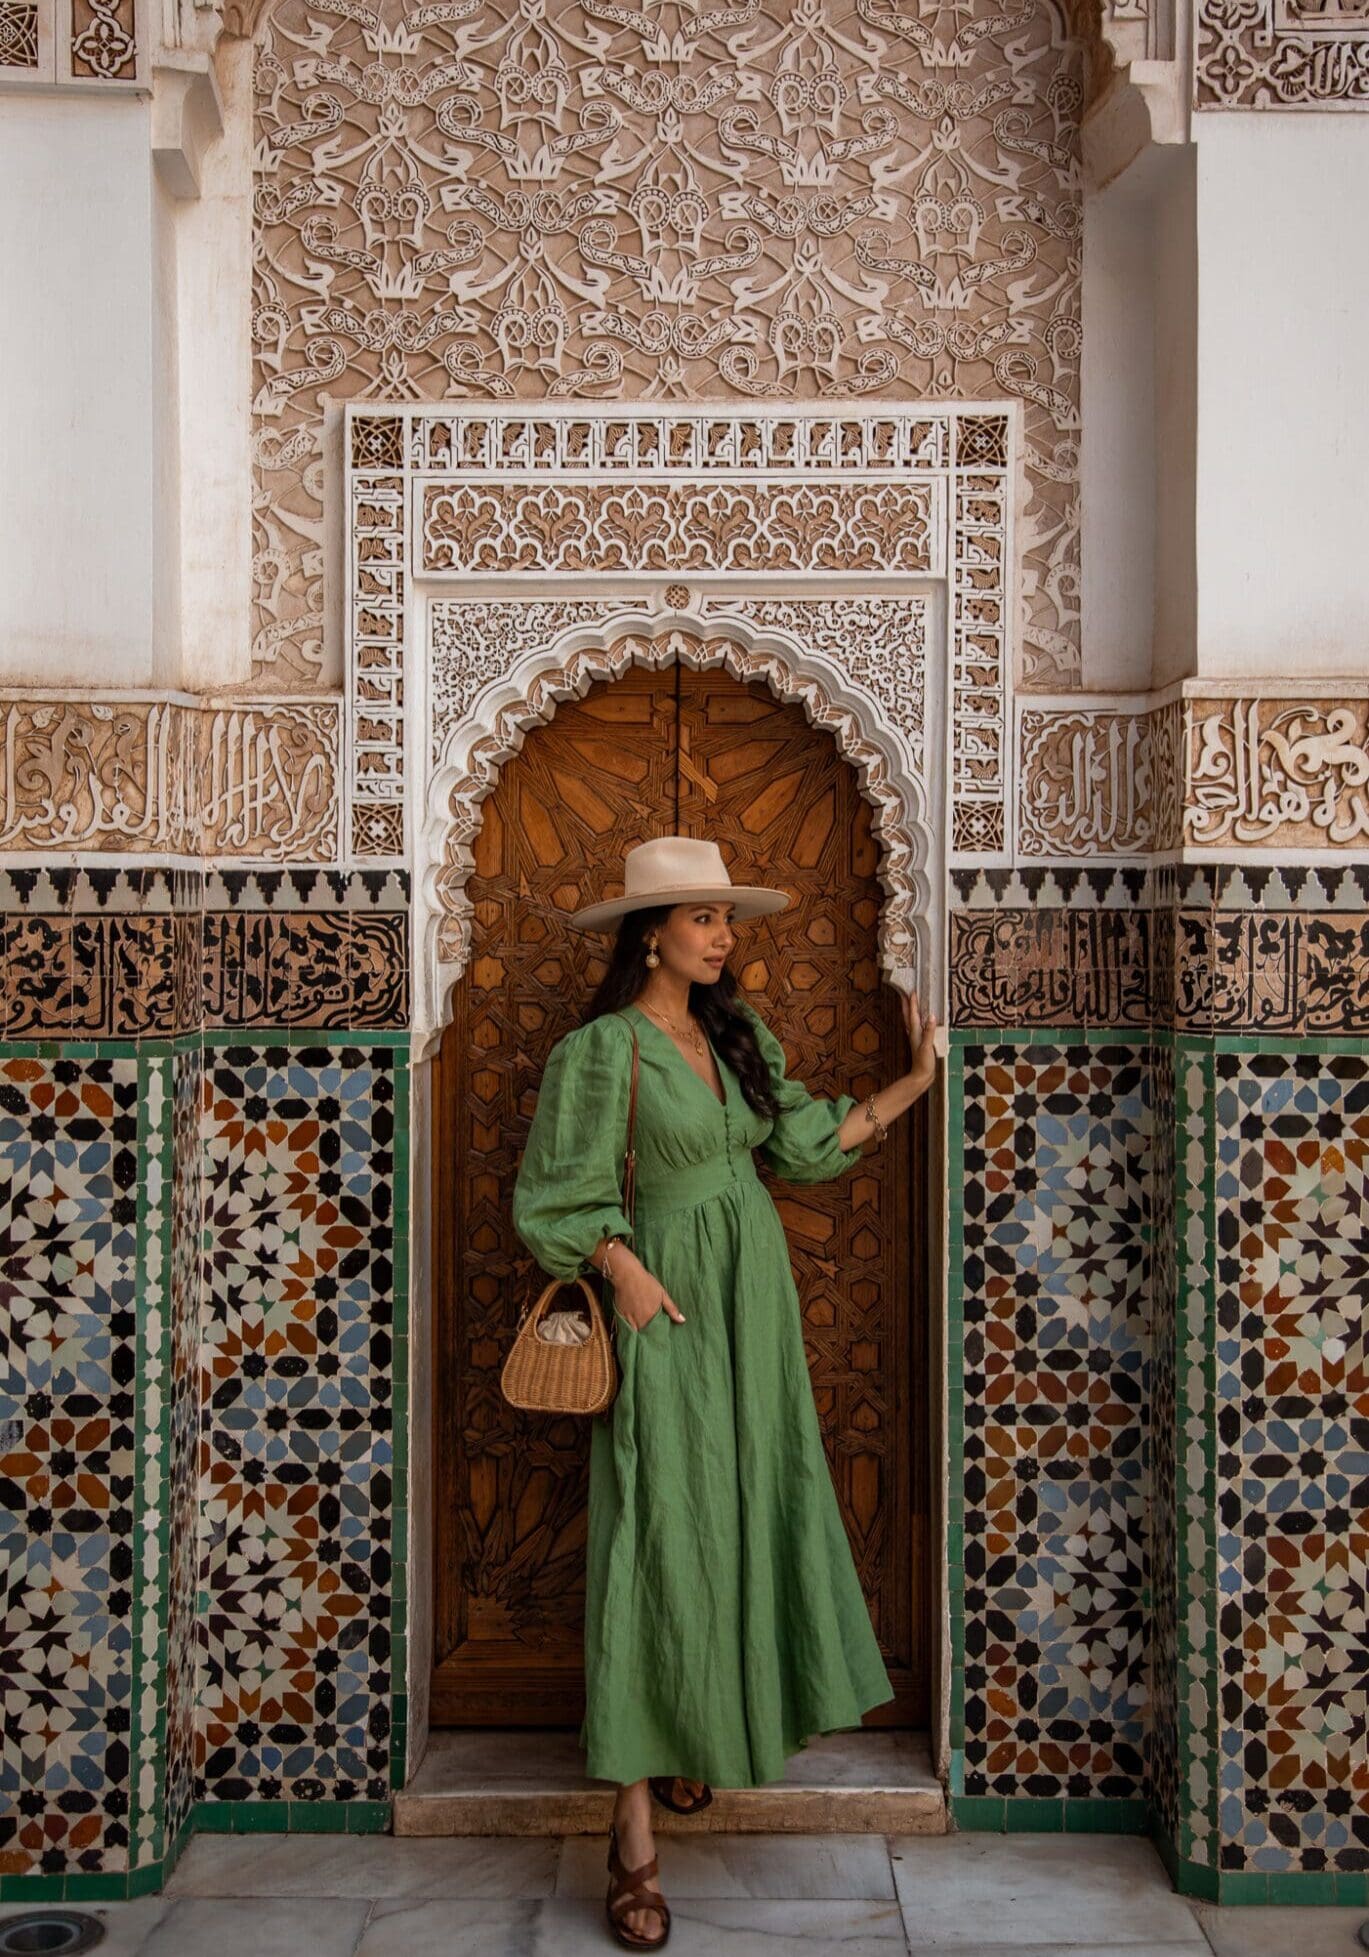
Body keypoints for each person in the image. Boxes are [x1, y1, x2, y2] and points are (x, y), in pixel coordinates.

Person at [511, 834, 939, 1950]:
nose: (722, 935)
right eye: (702, 918)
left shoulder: (736, 1033)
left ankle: (708, 1731)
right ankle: (633, 1831)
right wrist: (630, 1275)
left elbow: (799, 1144)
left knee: (750, 1506)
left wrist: (910, 1084)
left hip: (753, 1300)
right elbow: (555, 1196)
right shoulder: (602, 1051)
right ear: (648, 933)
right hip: (668, 1307)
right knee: (655, 1532)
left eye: (725, 918)